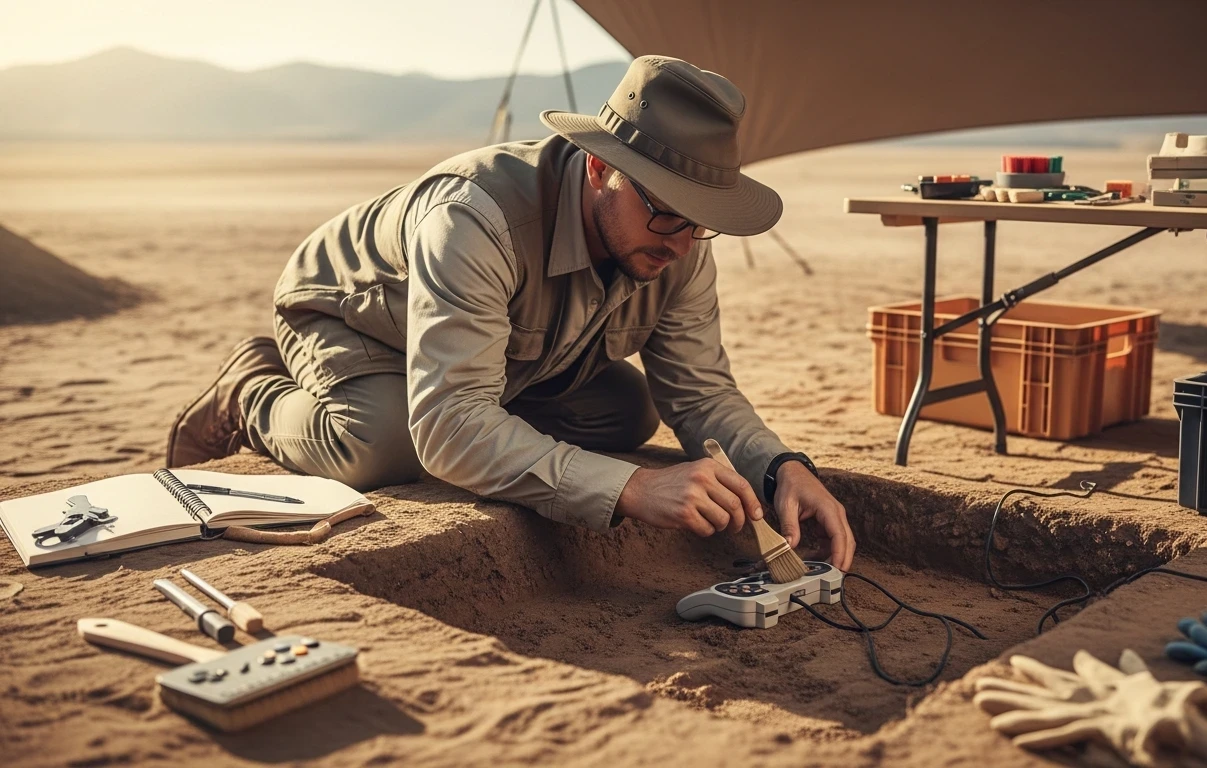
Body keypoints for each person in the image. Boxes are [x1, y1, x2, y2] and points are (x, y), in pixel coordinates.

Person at [166, 55, 855, 570]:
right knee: (388, 444)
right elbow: (444, 427)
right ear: (597, 170)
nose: (680, 245)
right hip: (358, 322)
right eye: (666, 213)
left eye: (700, 224)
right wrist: (633, 486)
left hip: (510, 360)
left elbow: (701, 392)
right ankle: (249, 392)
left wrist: (779, 468)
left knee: (627, 410)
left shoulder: (678, 242)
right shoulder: (476, 219)